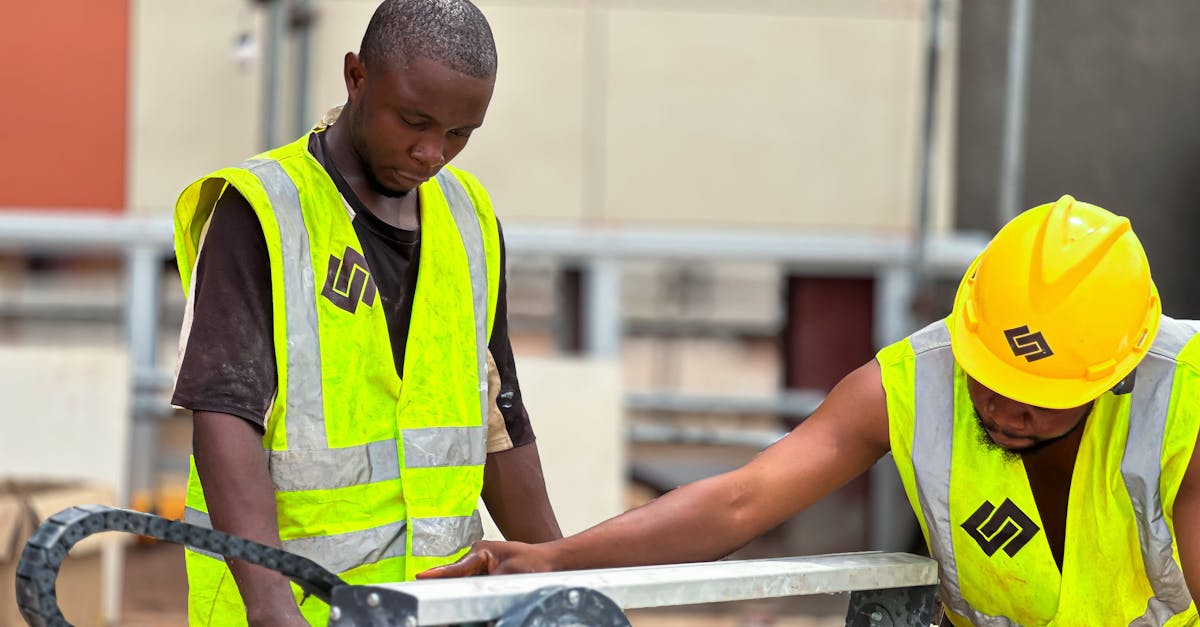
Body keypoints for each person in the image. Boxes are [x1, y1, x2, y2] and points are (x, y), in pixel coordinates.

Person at [421, 196, 1200, 626]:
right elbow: (739, 501)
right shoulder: (913, 382)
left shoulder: (1183, 403)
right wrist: (551, 558)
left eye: (1034, 399)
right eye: (984, 371)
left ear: (1112, 379)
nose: (999, 407)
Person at [169, 1, 562, 624]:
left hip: (435, 609)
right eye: (414, 120)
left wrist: (561, 579)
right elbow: (224, 414)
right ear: (356, 77)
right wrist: (273, 609)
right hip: (295, 608)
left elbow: (499, 419)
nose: (432, 152)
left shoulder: (468, 218)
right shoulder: (264, 210)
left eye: (460, 133)